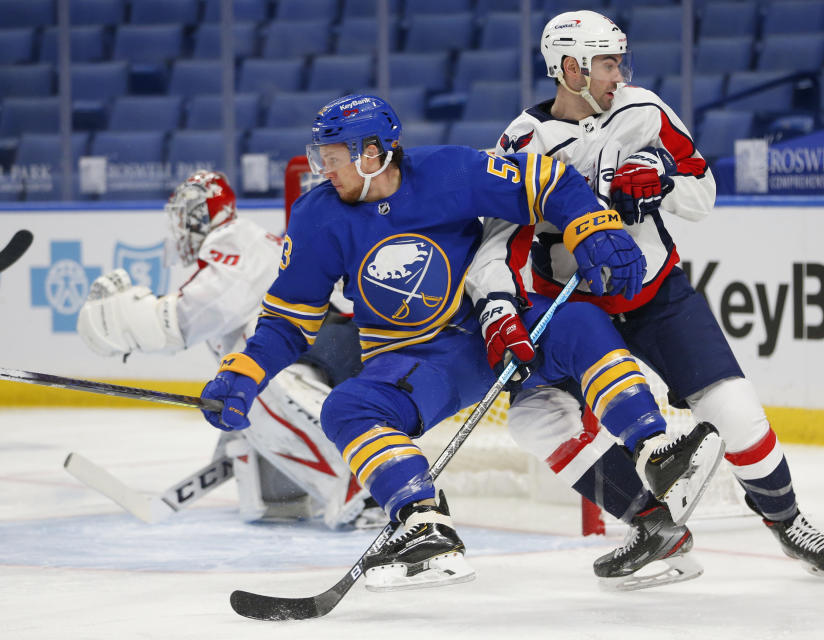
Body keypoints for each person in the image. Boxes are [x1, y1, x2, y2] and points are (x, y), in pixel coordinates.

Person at [197, 94, 723, 592]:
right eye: (320, 157)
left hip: (494, 328)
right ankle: (423, 527)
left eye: (332, 158)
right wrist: (244, 373)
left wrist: (591, 226)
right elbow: (289, 320)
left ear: (374, 153)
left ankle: (655, 453)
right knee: (347, 406)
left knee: (577, 324)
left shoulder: (447, 169)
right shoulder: (317, 217)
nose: (322, 170)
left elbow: (546, 180)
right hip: (416, 363)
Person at [472, 9, 824, 582]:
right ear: (570, 68)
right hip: (578, 307)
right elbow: (496, 245)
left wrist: (663, 180)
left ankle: (789, 521)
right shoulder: (524, 143)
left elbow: (703, 193)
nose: (617, 74)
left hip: (656, 290)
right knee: (534, 419)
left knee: (733, 411)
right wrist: (499, 306)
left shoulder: (644, 110)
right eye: (606, 63)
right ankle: (653, 526)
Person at [77, 170, 383, 529]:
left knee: (259, 378)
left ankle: (364, 484)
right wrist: (232, 444)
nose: (176, 229)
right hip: (324, 344)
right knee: (245, 379)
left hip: (335, 341)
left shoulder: (236, 242)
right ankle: (287, 497)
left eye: (181, 217)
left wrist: (116, 314)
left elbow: (182, 321)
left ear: (198, 216)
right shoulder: (239, 245)